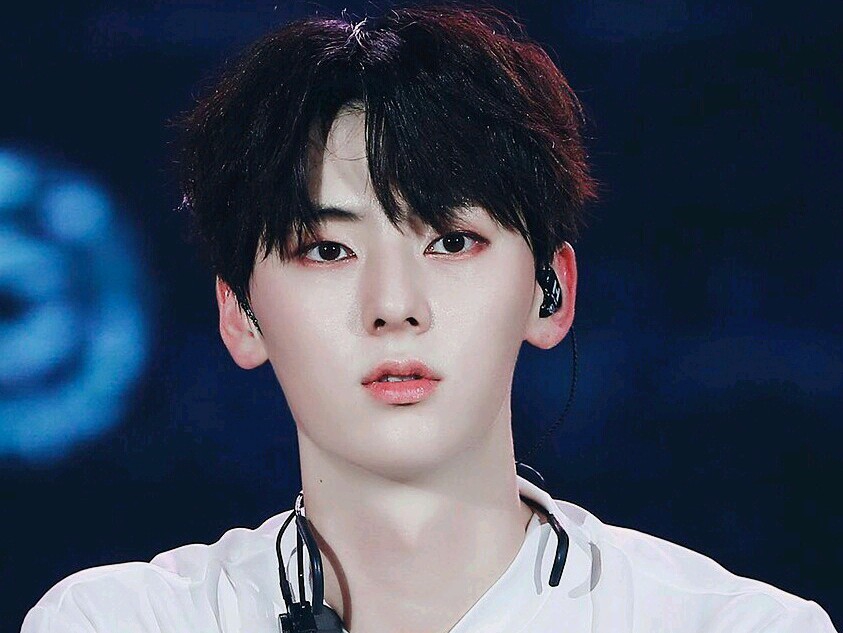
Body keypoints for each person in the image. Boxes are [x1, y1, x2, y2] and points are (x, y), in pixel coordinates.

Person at [21, 4, 837, 633]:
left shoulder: (730, 624)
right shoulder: (123, 620)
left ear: (549, 291)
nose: (393, 305)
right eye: (326, 250)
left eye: (450, 241)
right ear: (239, 312)